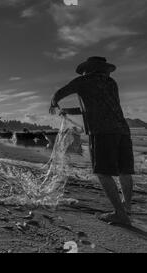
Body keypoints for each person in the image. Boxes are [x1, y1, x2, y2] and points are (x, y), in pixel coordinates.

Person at [49, 56, 133, 225]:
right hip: (123, 130)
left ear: (88, 69)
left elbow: (59, 93)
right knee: (125, 170)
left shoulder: (83, 81)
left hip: (102, 131)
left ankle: (120, 214)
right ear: (104, 70)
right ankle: (126, 207)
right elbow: (95, 107)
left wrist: (54, 103)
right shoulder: (111, 83)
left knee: (103, 172)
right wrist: (69, 111)